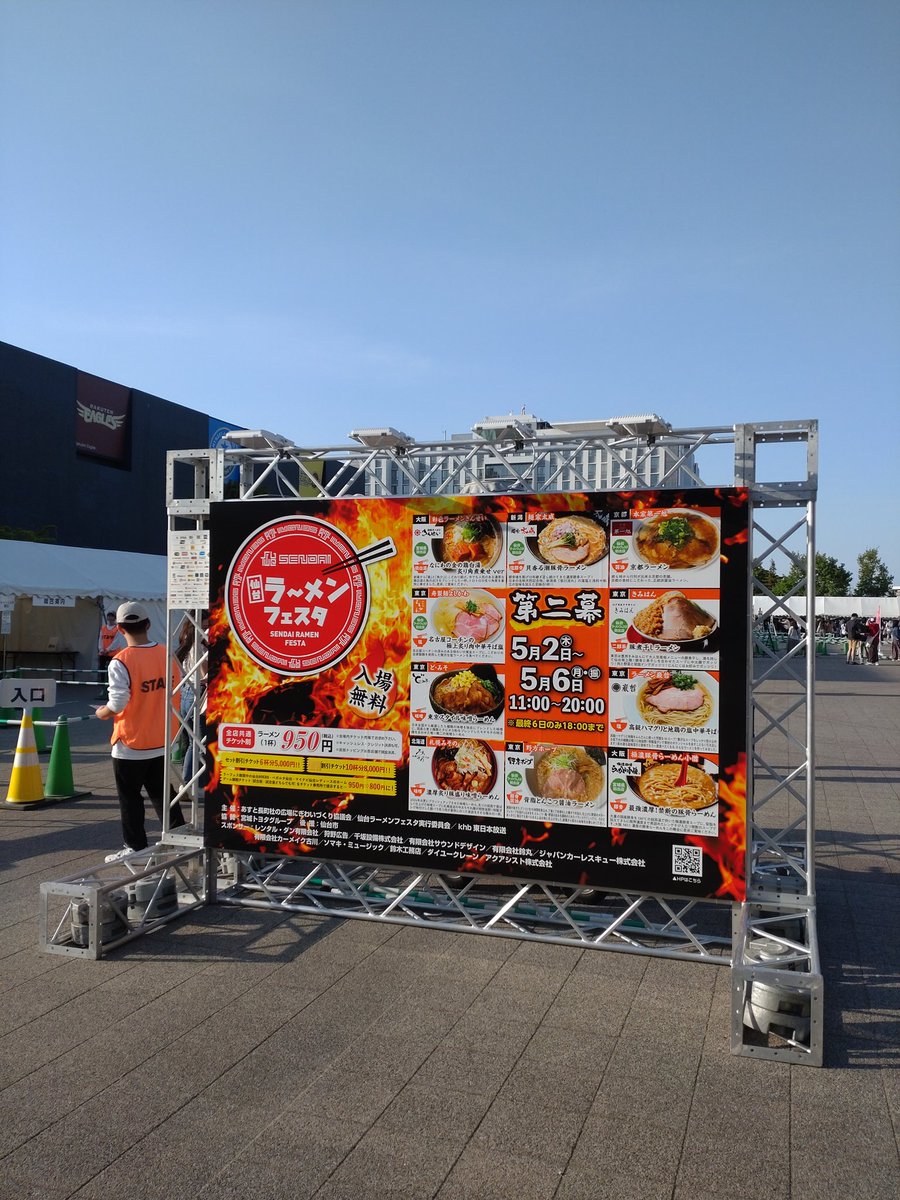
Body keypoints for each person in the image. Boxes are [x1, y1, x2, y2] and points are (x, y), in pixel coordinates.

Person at [95, 601, 186, 861]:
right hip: (162, 736)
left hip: (131, 741)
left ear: (121, 629)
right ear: (148, 624)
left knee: (130, 798)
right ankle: (180, 836)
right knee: (162, 792)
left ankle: (136, 847)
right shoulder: (167, 654)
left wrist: (102, 712)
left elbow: (117, 703)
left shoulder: (120, 661)